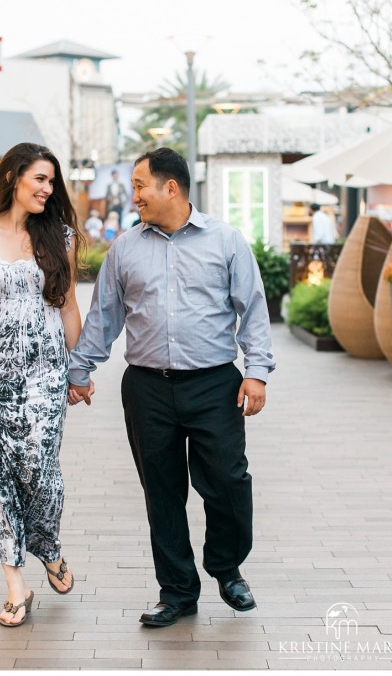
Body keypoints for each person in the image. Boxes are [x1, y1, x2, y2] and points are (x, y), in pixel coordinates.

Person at [68, 147, 275, 627]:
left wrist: (257, 371)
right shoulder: (125, 248)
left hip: (214, 386)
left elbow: (254, 308)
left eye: (141, 185)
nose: (134, 195)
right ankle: (178, 591)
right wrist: (80, 371)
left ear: (171, 188)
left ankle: (226, 567)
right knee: (161, 492)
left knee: (227, 482)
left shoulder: (226, 241)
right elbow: (104, 318)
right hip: (147, 388)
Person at [0, 142, 86, 628]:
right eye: (40, 180)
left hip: (47, 374)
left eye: (53, 182)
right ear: (13, 178)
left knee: (40, 470)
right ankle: (16, 586)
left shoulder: (60, 235)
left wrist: (80, 370)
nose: (48, 190)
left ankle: (47, 546)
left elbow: (69, 306)